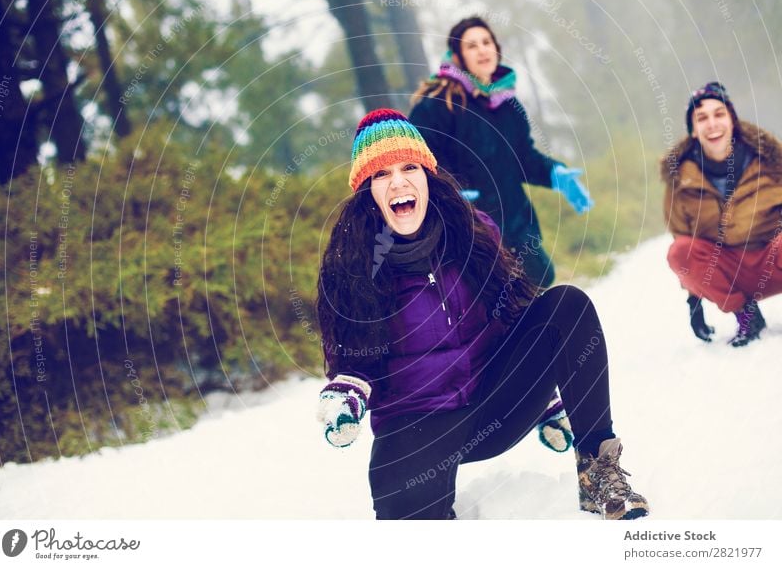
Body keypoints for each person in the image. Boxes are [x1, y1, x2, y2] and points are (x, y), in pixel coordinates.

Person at [315, 108, 648, 520]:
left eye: (408, 167)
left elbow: (509, 313)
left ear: (427, 175)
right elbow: (354, 356)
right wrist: (346, 391)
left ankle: (598, 471)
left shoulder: (471, 231)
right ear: (367, 190)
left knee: (567, 305)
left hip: (493, 408)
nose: (398, 181)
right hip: (418, 426)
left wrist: (545, 401)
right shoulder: (350, 263)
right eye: (381, 174)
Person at [409, 16, 593, 289]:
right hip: (468, 231)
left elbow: (524, 159)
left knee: (539, 285)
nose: (483, 49)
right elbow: (417, 159)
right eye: (472, 45)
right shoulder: (438, 104)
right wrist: (447, 192)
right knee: (491, 307)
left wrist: (556, 173)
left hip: (518, 227)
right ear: (458, 56)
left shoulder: (507, 105)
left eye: (487, 42)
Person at [662, 82, 782, 347]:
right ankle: (747, 317)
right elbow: (686, 251)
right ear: (693, 130)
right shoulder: (680, 181)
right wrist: (694, 301)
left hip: (773, 265)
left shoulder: (772, 161)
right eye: (701, 118)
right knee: (678, 251)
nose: (712, 124)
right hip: (730, 276)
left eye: (719, 114)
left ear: (732, 120)